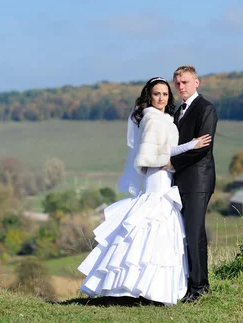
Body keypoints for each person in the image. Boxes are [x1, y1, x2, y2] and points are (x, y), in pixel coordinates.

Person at [78, 77, 212, 306]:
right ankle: (140, 288)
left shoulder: (164, 118)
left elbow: (163, 150)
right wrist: (191, 145)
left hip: (166, 176)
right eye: (157, 94)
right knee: (152, 228)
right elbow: (156, 153)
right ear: (149, 96)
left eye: (165, 94)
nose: (161, 98)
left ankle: (151, 288)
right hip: (158, 177)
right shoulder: (152, 119)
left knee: (159, 233)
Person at [168, 65, 218, 303]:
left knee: (195, 232)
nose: (181, 87)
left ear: (196, 83)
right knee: (185, 234)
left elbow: (203, 148)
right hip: (181, 181)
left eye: (185, 82)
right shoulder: (179, 111)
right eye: (177, 83)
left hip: (198, 180)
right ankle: (189, 283)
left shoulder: (205, 109)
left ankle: (200, 288)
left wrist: (171, 163)